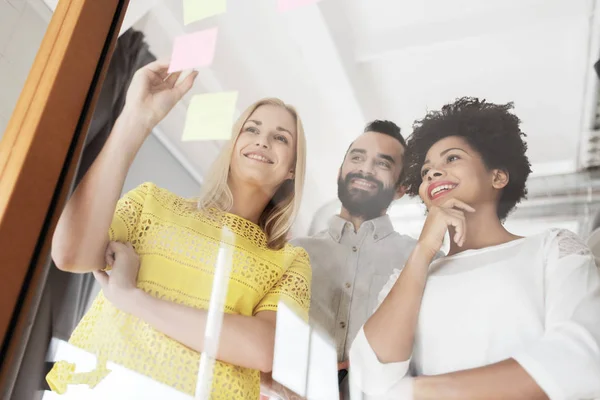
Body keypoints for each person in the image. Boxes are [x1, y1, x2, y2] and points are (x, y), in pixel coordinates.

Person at [45, 60, 311, 399]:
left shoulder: (290, 261)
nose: (262, 141)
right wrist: (136, 119)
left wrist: (132, 299)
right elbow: (70, 254)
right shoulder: (150, 203)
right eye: (252, 129)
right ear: (232, 145)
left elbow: (262, 349)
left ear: (292, 169)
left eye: (280, 138)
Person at [349, 97, 600, 399]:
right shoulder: (407, 279)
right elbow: (369, 374)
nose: (432, 173)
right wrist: (423, 250)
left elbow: (582, 358)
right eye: (426, 170)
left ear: (498, 176)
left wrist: (420, 391)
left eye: (452, 159)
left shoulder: (553, 249)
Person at [292, 120, 423, 396]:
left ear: (402, 187)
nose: (365, 168)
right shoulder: (293, 253)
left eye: (383, 164)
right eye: (357, 157)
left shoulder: (421, 261)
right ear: (341, 171)